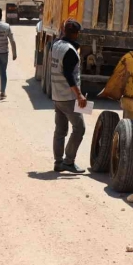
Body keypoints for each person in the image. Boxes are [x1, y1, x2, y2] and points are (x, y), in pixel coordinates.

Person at [49, 19, 87, 173]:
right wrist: (79, 96)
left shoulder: (56, 45)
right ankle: (69, 161)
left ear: (64, 31)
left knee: (60, 131)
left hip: (57, 95)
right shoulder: (70, 51)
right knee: (79, 128)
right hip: (68, 97)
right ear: (76, 34)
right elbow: (69, 75)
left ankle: (58, 162)